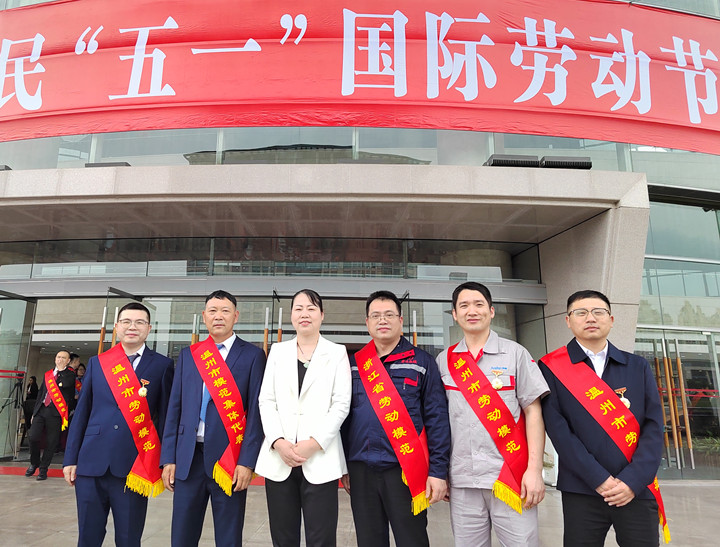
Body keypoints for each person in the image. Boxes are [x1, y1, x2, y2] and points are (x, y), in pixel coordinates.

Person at [538, 290, 668, 546]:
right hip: (581, 488)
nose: (591, 318)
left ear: (611, 319)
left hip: (635, 488)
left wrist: (632, 480)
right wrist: (598, 478)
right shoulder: (551, 367)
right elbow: (559, 431)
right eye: (581, 312)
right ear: (568, 321)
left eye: (598, 312)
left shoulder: (637, 366)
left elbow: (653, 427)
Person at [435, 282, 548, 547]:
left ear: (492, 311)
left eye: (479, 304)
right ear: (455, 314)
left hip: (511, 475)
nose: (472, 311)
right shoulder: (444, 361)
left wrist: (534, 470)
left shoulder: (516, 354)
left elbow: (533, 411)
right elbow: (439, 421)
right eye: (464, 306)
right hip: (463, 479)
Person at [341, 290, 450, 547]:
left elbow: (437, 419)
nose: (382, 320)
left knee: (412, 539)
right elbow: (343, 420)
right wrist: (343, 466)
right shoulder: (353, 365)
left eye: (389, 315)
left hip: (406, 470)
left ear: (400, 321)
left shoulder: (422, 362)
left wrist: (438, 471)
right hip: (361, 470)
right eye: (376, 315)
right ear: (367, 322)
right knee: (369, 540)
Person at [63, 302, 174, 547]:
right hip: (91, 462)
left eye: (139, 322)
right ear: (116, 327)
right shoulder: (98, 362)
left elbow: (166, 417)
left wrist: (166, 461)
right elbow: (82, 413)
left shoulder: (162, 365)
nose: (132, 327)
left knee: (128, 538)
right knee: (88, 537)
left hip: (134, 465)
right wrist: (70, 458)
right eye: (126, 322)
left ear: (149, 328)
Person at [161, 290, 266, 547]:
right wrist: (168, 458)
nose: (218, 316)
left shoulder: (252, 355)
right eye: (213, 311)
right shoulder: (190, 354)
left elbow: (256, 413)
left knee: (229, 537)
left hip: (229, 460)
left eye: (225, 311)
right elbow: (175, 407)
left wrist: (247, 462)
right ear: (204, 316)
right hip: (188, 459)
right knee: (182, 536)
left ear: (235, 316)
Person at [255, 289, 352, 547]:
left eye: (311, 308)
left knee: (321, 538)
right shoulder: (278, 351)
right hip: (280, 458)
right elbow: (266, 400)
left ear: (322, 315)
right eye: (298, 309)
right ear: (291, 316)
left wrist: (314, 442)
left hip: (320, 458)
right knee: (283, 537)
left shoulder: (337, 352)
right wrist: (277, 441)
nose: (304, 314)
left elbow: (341, 404)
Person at [26, 350, 76, 480]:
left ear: (68, 361)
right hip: (41, 410)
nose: (60, 359)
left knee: (51, 442)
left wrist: (60, 371)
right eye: (58, 357)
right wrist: (34, 412)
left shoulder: (70, 374)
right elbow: (41, 394)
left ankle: (43, 469)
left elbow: (66, 385)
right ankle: (34, 462)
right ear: (55, 359)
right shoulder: (48, 374)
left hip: (56, 413)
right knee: (33, 436)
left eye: (63, 358)